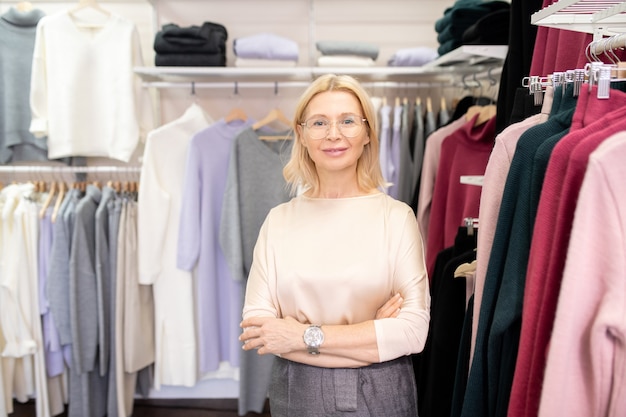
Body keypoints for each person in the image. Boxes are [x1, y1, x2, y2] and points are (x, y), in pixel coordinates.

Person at [239, 73, 431, 416]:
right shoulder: (279, 221)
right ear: (301, 133)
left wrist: (301, 335)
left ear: (368, 132)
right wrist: (372, 332)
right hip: (296, 390)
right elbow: (261, 329)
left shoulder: (396, 218)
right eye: (319, 122)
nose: (333, 134)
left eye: (347, 121)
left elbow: (412, 333)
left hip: (381, 389)